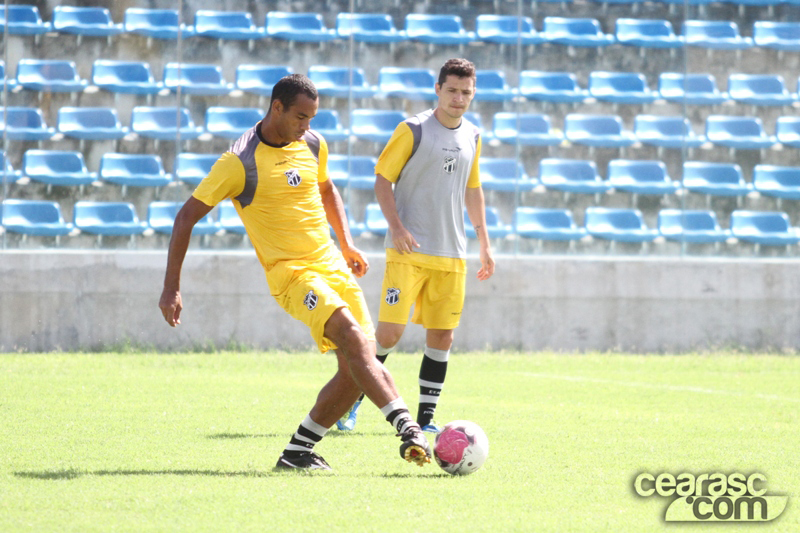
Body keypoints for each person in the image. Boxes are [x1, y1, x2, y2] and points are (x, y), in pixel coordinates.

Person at [158, 74, 431, 470]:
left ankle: (297, 453)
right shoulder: (239, 162)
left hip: (331, 265)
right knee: (353, 338)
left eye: (312, 118)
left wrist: (346, 243)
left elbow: (326, 189)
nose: (307, 126)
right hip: (291, 275)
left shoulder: (313, 144)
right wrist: (171, 287)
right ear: (277, 108)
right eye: (300, 117)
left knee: (357, 367)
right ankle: (407, 427)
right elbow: (185, 217)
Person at [338, 59, 495, 432]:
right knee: (389, 334)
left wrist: (484, 243)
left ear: (473, 94)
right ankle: (347, 404)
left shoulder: (473, 135)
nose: (458, 98)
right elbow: (382, 179)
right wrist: (396, 227)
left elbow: (473, 189)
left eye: (466, 92)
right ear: (438, 89)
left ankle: (425, 420)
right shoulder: (413, 130)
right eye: (452, 90)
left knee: (442, 336)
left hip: (451, 254)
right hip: (408, 252)